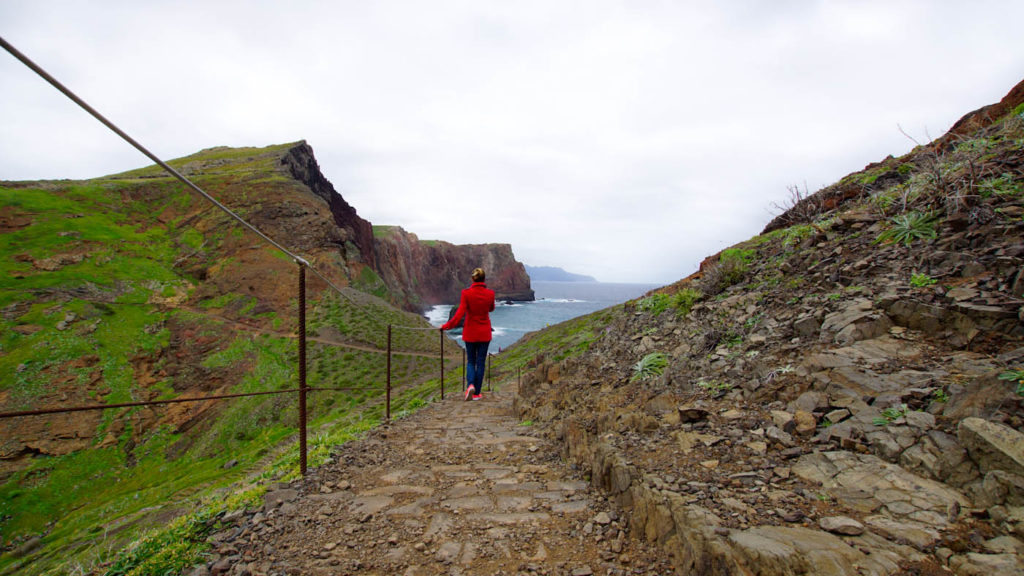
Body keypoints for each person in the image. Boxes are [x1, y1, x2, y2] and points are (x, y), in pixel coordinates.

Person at [440, 267, 495, 400]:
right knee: (480, 363)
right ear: (484, 279)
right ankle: (477, 394)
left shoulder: (466, 293)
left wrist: (446, 326)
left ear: (472, 279)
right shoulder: (490, 293)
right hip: (484, 333)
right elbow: (491, 308)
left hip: (470, 333)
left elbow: (459, 314)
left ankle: (470, 385)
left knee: (471, 361)